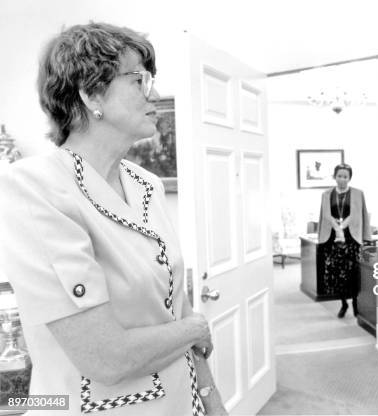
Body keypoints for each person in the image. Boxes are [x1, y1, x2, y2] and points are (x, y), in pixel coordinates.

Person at [0, 23, 226, 415]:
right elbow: (106, 357)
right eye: (139, 80)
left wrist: (210, 399)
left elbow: (178, 308)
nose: (153, 93)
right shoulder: (33, 188)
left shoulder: (146, 185)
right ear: (90, 93)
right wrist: (194, 329)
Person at [318, 163, 371, 318]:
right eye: (339, 176)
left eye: (345, 176)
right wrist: (337, 227)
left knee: (353, 273)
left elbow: (359, 214)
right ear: (335, 176)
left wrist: (344, 227)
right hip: (333, 239)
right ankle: (343, 303)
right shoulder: (326, 194)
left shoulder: (358, 193)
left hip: (351, 239)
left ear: (349, 178)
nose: (342, 179)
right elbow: (325, 215)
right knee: (336, 274)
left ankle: (355, 303)